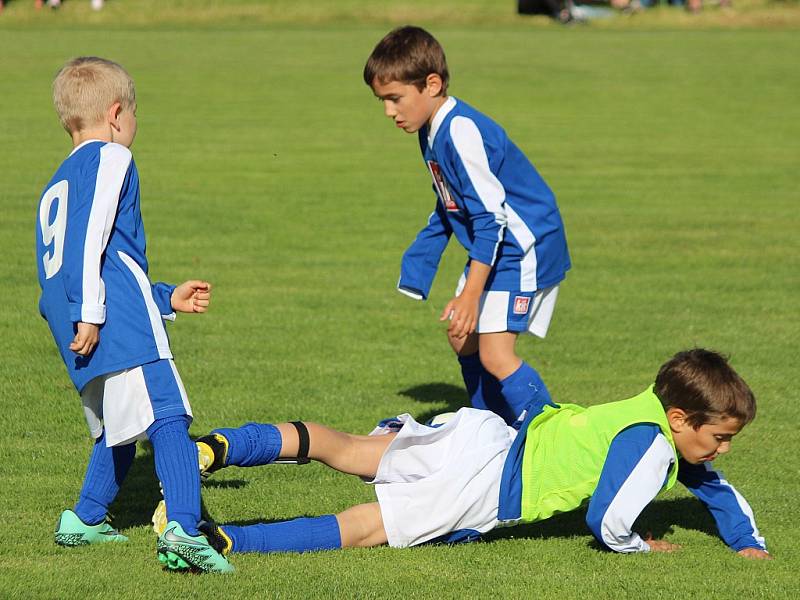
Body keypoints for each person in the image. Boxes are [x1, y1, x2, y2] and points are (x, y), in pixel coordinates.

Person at [162, 349, 770, 559]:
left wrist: (746, 539)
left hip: (485, 436)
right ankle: (226, 543)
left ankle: (216, 448)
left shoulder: (644, 407)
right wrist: (639, 544)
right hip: (486, 485)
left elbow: (710, 483)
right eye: (719, 438)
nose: (718, 452)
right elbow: (607, 519)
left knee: (344, 447)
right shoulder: (656, 447)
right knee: (366, 528)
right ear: (681, 419)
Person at [35, 57, 232, 573]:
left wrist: (164, 297)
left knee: (118, 426)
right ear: (117, 114)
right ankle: (185, 533)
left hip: (75, 316)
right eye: (135, 115)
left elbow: (97, 259)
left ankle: (85, 518)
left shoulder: (58, 181)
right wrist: (93, 313)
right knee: (168, 413)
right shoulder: (111, 157)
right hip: (103, 314)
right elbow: (90, 241)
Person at [363, 26, 572, 427]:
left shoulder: (460, 131)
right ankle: (488, 429)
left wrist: (471, 294)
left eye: (394, 99)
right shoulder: (431, 129)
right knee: (462, 336)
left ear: (432, 84)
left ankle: (549, 440)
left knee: (495, 354)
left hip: (523, 245)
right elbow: (451, 203)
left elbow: (492, 218)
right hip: (498, 244)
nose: (389, 111)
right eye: (382, 101)